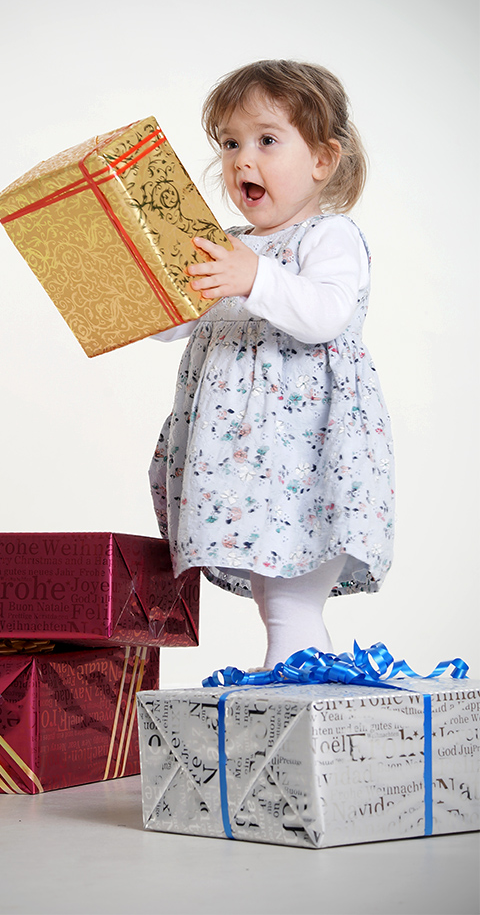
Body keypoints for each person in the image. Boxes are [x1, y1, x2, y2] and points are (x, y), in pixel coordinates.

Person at [149, 60, 394, 669]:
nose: (240, 160)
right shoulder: (230, 243)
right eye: (230, 143)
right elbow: (181, 320)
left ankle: (297, 669)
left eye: (265, 140)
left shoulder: (326, 236)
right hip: (237, 448)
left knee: (295, 567)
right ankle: (287, 666)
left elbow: (326, 315)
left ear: (322, 160)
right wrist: (140, 294)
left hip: (301, 442)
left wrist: (253, 275)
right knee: (271, 570)